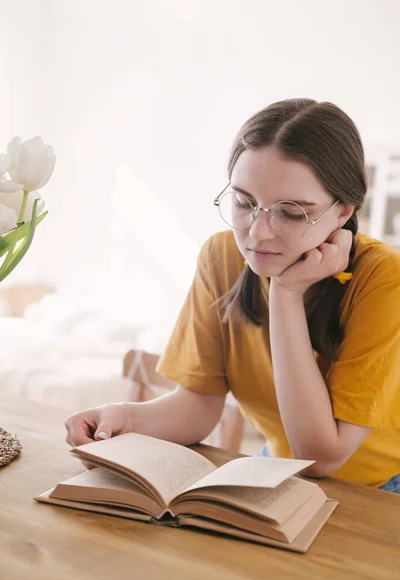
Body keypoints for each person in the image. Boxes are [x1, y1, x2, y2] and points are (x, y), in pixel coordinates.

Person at [65, 98, 400, 494]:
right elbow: (199, 407)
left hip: (379, 488)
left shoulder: (383, 280)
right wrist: (124, 418)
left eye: (291, 212)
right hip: (280, 470)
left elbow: (320, 457)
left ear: (343, 212)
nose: (257, 232)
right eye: (243, 203)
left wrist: (286, 293)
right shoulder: (221, 256)